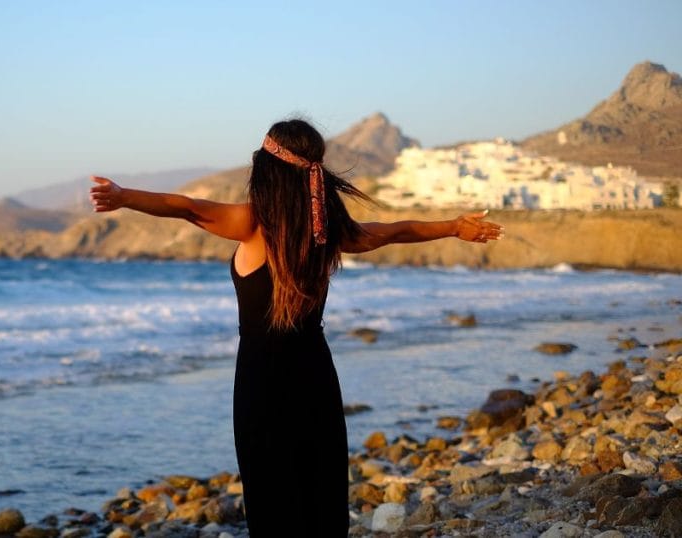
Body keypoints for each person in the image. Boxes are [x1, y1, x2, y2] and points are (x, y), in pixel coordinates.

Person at [89, 118, 503, 536]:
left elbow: (186, 206)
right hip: (315, 375)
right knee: (319, 489)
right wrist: (453, 227)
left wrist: (124, 197)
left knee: (272, 496)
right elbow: (392, 232)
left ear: (267, 172)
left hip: (261, 381)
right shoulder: (328, 231)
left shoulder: (252, 224)